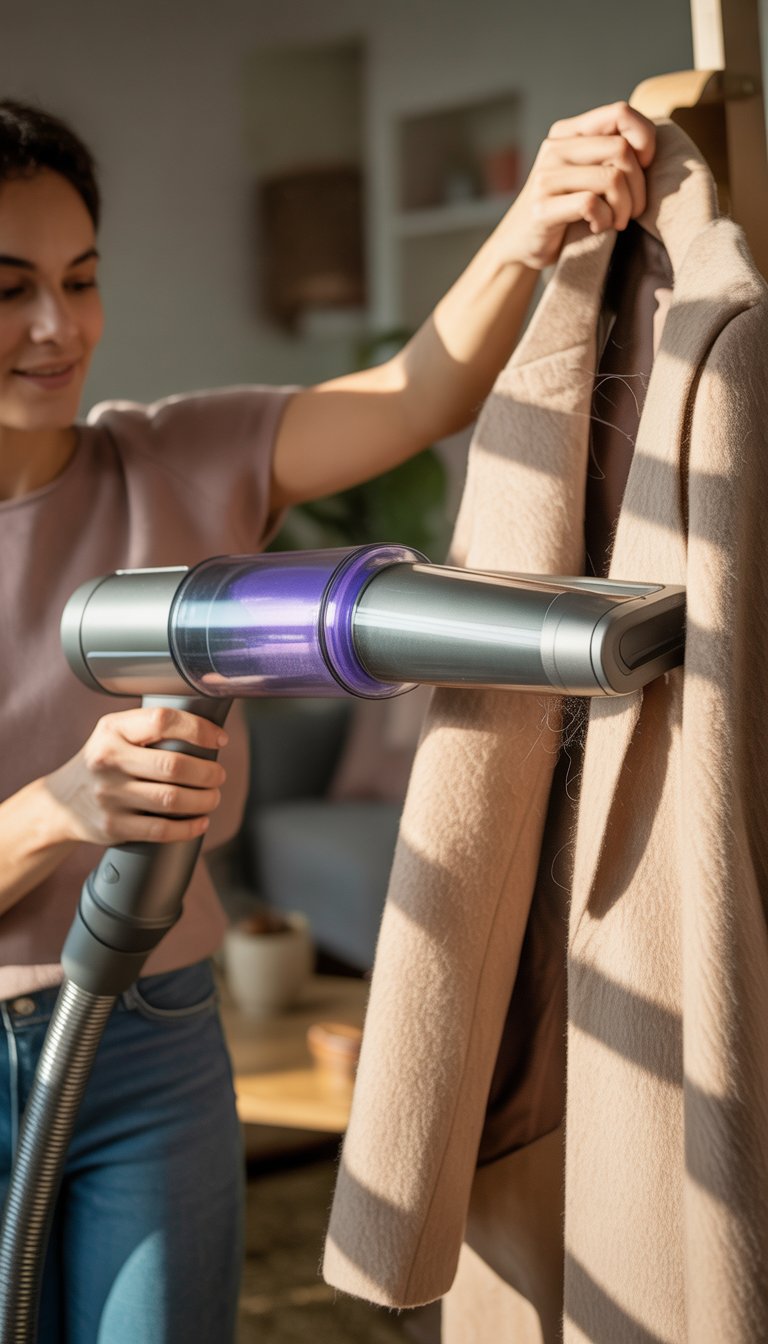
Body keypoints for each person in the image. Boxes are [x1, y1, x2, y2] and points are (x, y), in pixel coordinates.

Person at [0, 96, 655, 1342]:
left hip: (155, 1036)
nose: (57, 328)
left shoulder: (176, 459)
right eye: (7, 288)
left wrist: (531, 222)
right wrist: (51, 814)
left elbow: (416, 399)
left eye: (81, 281)